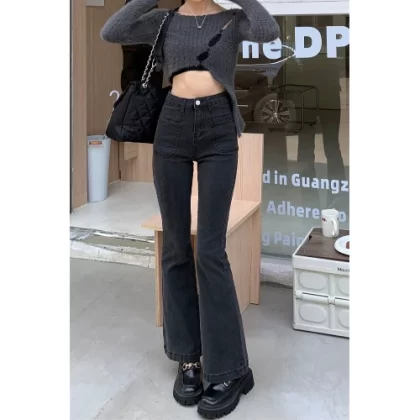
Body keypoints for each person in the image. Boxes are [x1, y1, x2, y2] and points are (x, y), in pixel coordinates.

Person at [101, 0, 278, 417]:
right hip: (173, 125)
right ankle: (188, 358)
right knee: (176, 248)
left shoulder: (232, 20)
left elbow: (268, 31)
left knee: (211, 252)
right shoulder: (164, 21)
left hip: (219, 127)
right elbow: (112, 31)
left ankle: (231, 369)